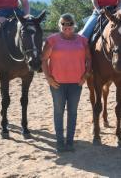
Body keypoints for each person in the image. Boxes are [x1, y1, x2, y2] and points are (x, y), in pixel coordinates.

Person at [41, 13, 91, 153]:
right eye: (63, 24)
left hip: (76, 83)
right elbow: (44, 60)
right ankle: (59, 142)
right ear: (60, 25)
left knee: (72, 112)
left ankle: (70, 142)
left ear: (74, 25)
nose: (66, 27)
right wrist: (48, 78)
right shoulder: (52, 40)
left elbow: (89, 59)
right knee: (58, 112)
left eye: (69, 24)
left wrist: (86, 75)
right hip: (57, 84)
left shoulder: (82, 40)